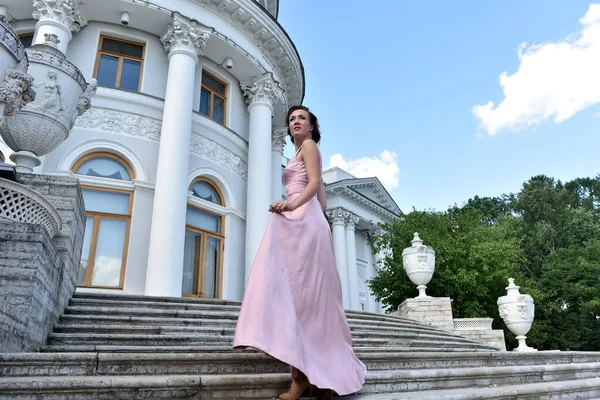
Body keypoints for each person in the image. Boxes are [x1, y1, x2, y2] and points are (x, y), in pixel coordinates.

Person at [233, 105, 367, 399]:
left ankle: (307, 377)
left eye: (301, 118)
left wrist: (293, 205)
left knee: (307, 299)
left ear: (311, 126)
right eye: (292, 119)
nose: (295, 122)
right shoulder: (299, 153)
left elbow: (317, 185)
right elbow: (323, 203)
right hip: (305, 222)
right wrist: (301, 214)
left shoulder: (308, 146)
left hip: (302, 219)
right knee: (301, 298)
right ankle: (310, 375)